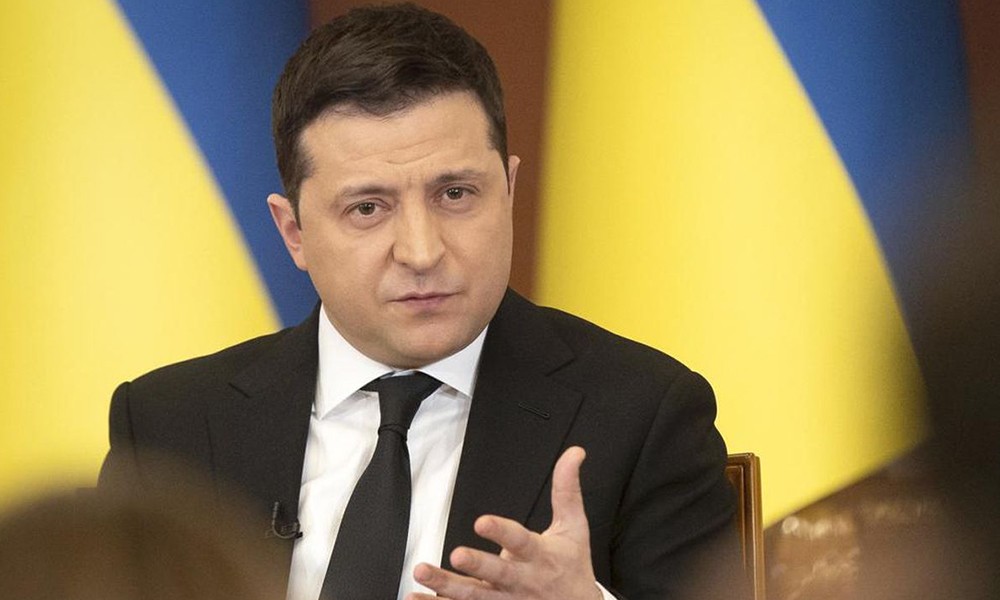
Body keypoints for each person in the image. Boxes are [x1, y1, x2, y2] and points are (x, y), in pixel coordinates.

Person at [99, 4, 741, 599]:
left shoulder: (642, 415)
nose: (421, 250)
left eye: (455, 194)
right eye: (367, 208)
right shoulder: (170, 428)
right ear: (294, 233)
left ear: (509, 190)